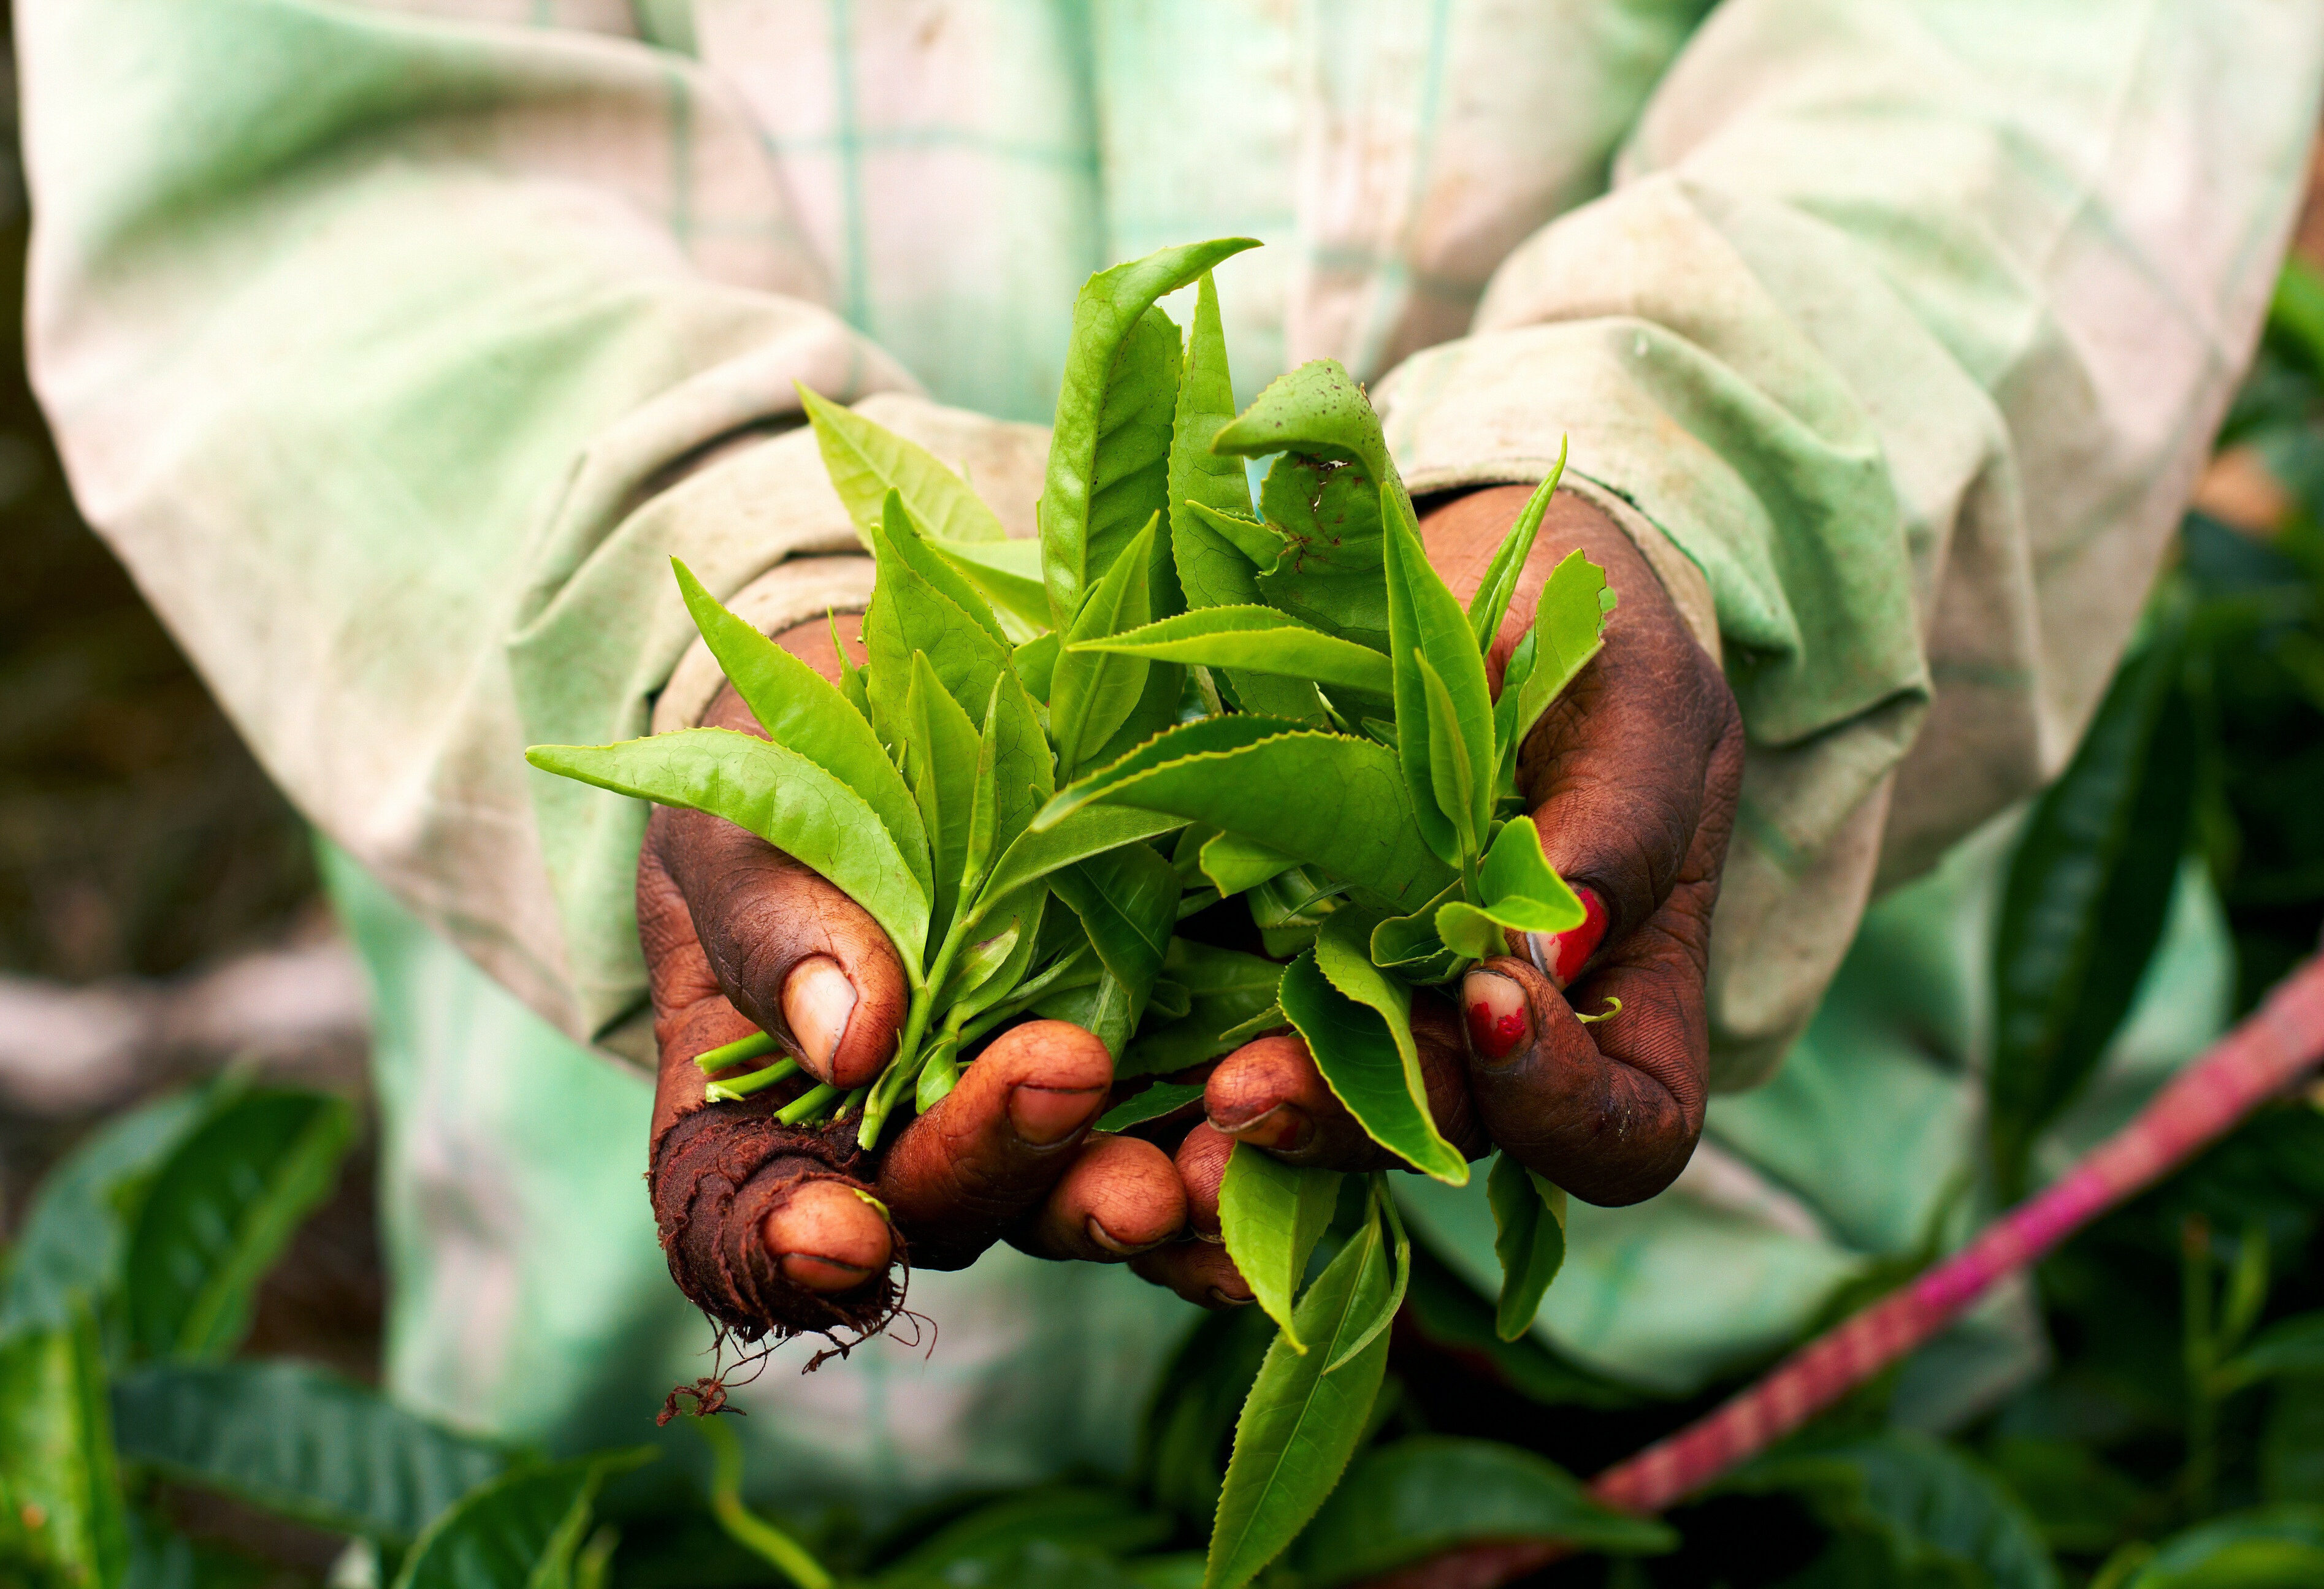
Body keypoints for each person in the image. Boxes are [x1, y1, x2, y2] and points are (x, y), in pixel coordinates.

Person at [19, 0, 2319, 1514]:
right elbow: (302, 172)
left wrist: (1687, 493)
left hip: (1811, 1249)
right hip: (681, 1373)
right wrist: (713, 619)